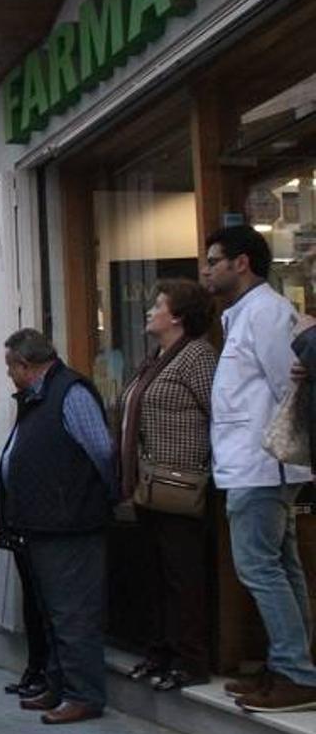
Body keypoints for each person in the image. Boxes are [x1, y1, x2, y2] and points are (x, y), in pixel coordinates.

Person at [202, 225, 316, 712]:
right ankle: (288, 665)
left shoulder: (266, 312)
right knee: (279, 567)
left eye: (214, 260)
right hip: (250, 464)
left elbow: (288, 387)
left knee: (260, 568)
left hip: (263, 466)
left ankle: (296, 672)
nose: (206, 270)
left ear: (241, 263)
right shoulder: (241, 315)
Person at [0, 328, 117, 726]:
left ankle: (84, 694)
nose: (9, 376)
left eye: (10, 368)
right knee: (52, 613)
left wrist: (94, 497)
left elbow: (101, 451)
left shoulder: (70, 393)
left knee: (73, 614)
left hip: (70, 525)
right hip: (42, 525)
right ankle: (58, 685)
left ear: (25, 365)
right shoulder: (37, 398)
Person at [116, 280, 217, 690]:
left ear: (176, 316)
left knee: (182, 574)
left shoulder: (197, 356)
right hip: (147, 485)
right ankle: (159, 650)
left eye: (158, 304)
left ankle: (190, 659)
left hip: (181, 484)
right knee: (155, 575)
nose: (149, 310)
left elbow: (220, 413)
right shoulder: (155, 357)